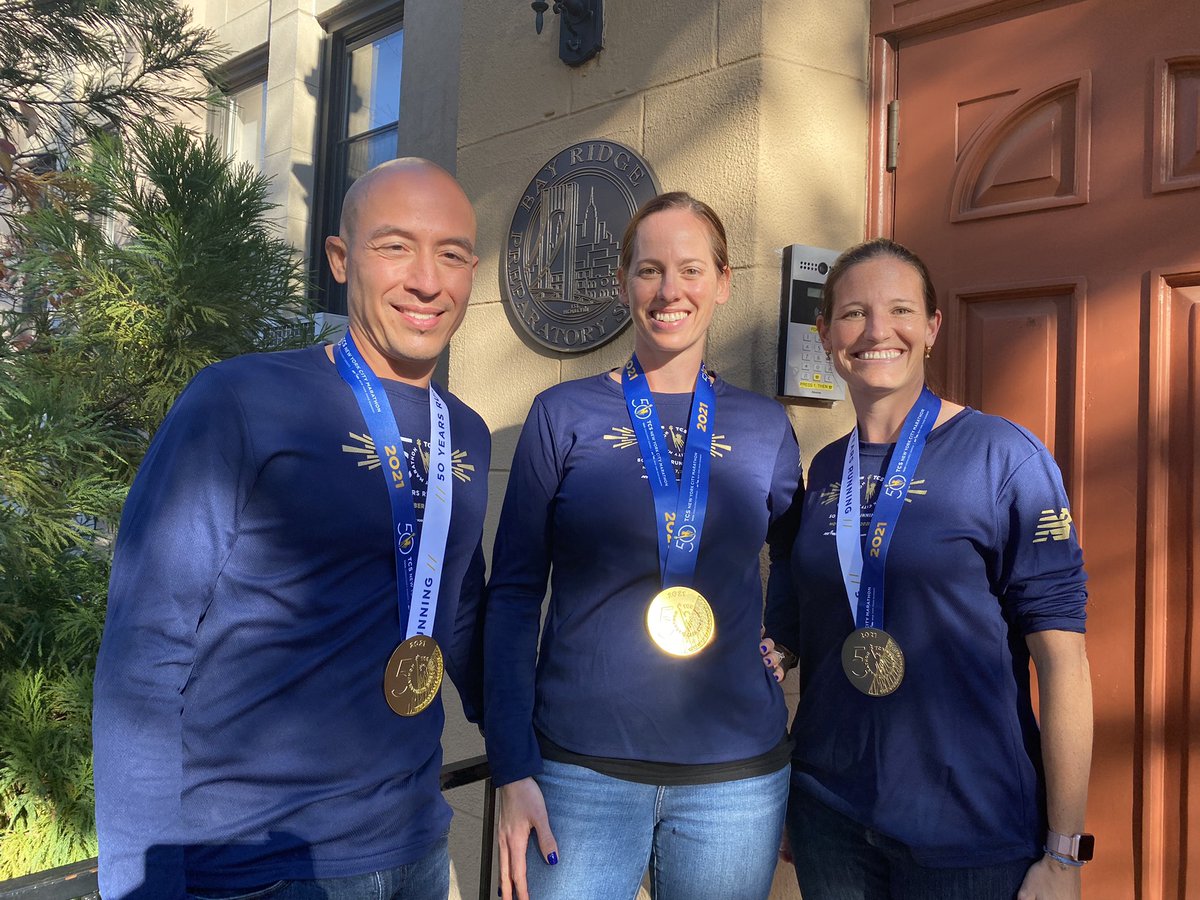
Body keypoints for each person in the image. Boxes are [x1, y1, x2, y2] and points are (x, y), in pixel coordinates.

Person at [92, 158, 491, 899]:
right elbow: (144, 656)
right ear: (341, 260)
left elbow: (459, 614)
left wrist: (528, 753)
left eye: (453, 254)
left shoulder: (463, 433)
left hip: (417, 847)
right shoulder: (240, 401)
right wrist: (140, 883)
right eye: (395, 246)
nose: (428, 280)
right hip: (261, 865)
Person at [483, 192, 804, 900]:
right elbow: (511, 595)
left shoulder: (763, 427)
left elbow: (801, 553)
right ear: (625, 282)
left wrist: (782, 636)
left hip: (734, 778)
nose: (669, 291)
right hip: (579, 770)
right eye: (650, 269)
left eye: (691, 270)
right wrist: (511, 764)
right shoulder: (561, 415)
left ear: (722, 282)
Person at [763, 238, 1093, 900]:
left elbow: (1064, 666)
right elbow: (796, 631)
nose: (877, 331)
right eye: (854, 313)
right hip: (831, 816)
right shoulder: (825, 470)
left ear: (932, 328)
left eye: (900, 310)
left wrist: (1064, 853)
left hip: (969, 829)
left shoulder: (1005, 458)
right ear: (827, 335)